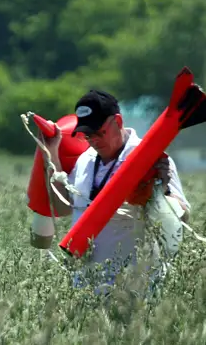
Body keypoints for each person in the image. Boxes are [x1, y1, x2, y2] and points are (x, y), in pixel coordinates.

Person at [44, 89, 190, 297]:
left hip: (137, 285)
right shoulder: (86, 159)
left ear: (118, 122)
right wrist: (51, 155)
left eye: (99, 133)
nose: (93, 141)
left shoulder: (149, 157)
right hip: (87, 284)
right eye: (87, 135)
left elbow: (183, 216)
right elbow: (63, 207)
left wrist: (161, 189)